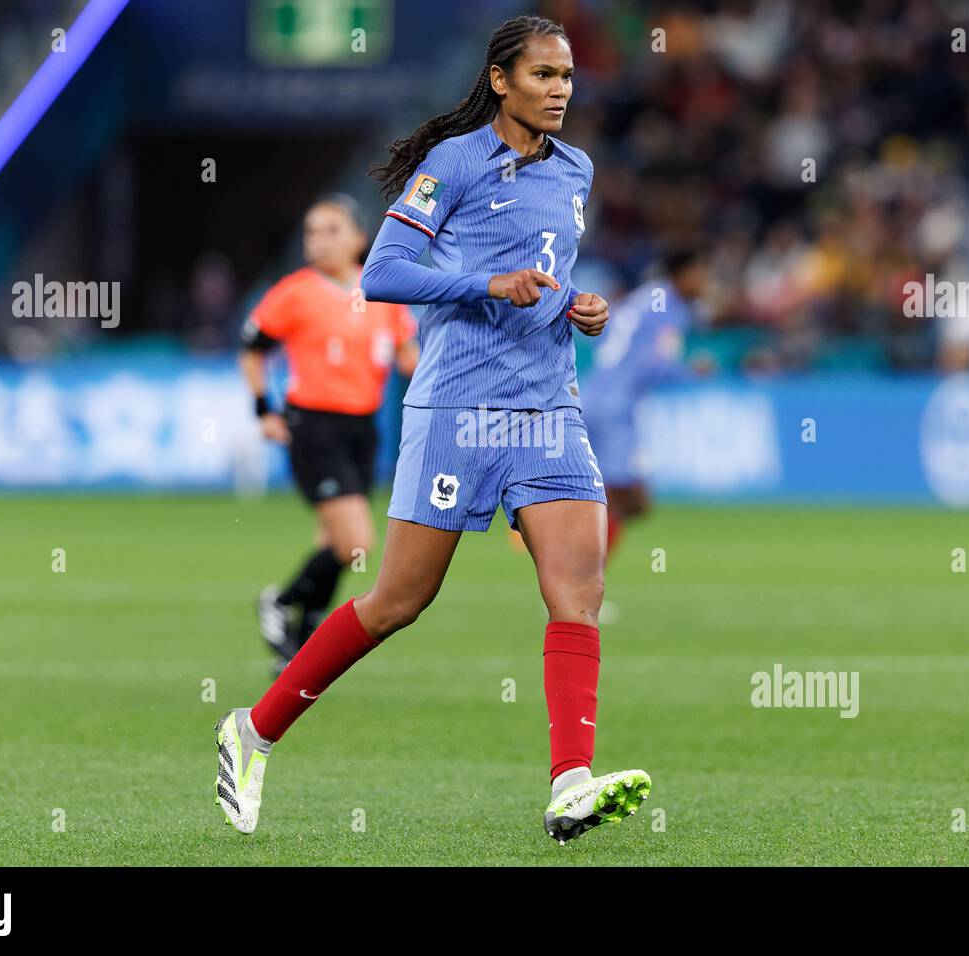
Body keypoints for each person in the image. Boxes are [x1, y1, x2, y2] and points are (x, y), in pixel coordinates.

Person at [214, 15, 651, 845]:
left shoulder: (576, 170)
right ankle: (255, 729)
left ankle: (570, 782)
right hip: (455, 409)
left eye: (566, 77)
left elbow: (547, 269)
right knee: (397, 600)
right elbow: (380, 273)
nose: (560, 91)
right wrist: (489, 282)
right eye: (543, 76)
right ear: (500, 80)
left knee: (578, 594)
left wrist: (574, 304)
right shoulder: (450, 166)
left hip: (548, 406)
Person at [239, 195, 418, 666]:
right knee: (356, 542)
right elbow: (253, 350)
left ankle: (299, 641)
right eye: (311, 232)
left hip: (363, 431)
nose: (318, 241)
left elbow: (408, 359)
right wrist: (264, 409)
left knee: (334, 544)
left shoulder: (382, 292)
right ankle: (280, 602)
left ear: (360, 239)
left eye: (331, 230)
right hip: (314, 426)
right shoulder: (296, 291)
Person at [581, 247, 713, 565]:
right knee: (629, 499)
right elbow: (653, 364)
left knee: (615, 499)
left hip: (591, 397)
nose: (704, 282)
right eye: (700, 274)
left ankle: (576, 576)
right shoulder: (671, 308)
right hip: (617, 408)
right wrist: (689, 371)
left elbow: (608, 341)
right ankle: (579, 581)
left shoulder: (644, 298)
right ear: (682, 274)